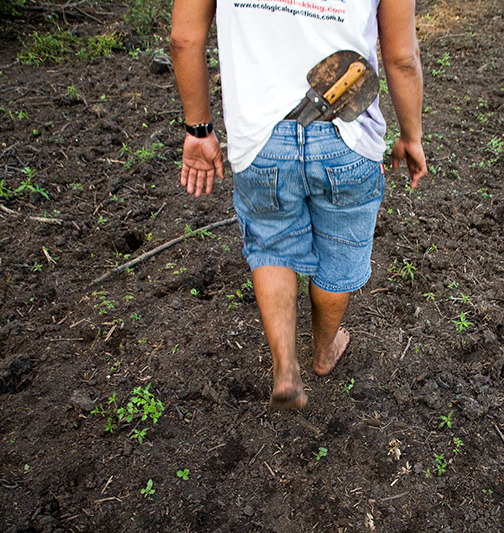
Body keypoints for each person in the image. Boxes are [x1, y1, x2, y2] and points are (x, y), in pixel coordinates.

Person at [170, 0, 427, 409]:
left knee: (271, 245)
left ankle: (285, 368)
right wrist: (411, 135)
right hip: (347, 136)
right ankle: (323, 351)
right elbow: (402, 57)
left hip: (261, 138)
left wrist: (199, 129)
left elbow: (184, 39)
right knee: (339, 251)